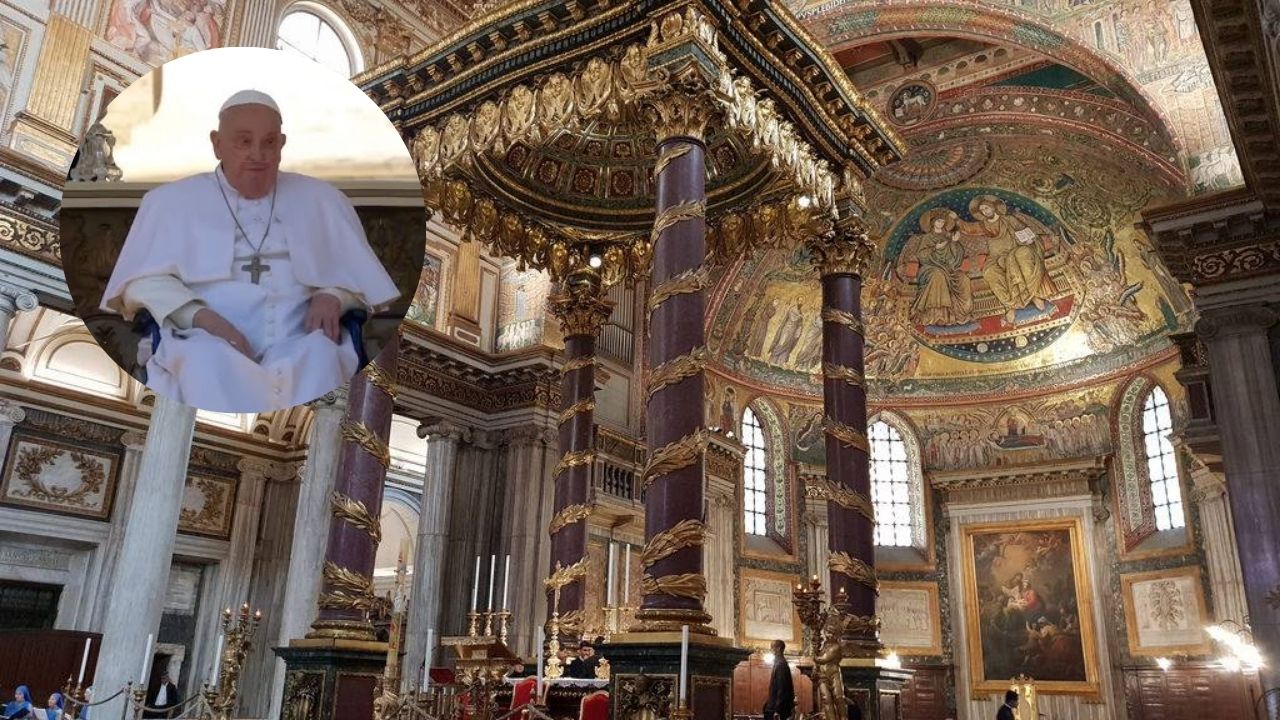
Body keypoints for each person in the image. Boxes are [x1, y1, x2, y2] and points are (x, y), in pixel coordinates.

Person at [100, 89, 401, 412]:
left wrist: (333, 294)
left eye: (269, 142)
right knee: (203, 362)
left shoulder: (324, 200)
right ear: (217, 144)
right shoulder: (169, 202)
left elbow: (361, 277)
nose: (258, 154)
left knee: (323, 357)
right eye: (244, 141)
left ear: (281, 145)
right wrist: (203, 319)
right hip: (204, 335)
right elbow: (139, 283)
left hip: (301, 336)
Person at [762, 640, 794, 720]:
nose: (771, 650)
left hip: (777, 710)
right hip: (775, 707)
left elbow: (782, 688)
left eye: (772, 647)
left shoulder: (781, 665)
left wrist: (778, 710)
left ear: (779, 648)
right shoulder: (779, 663)